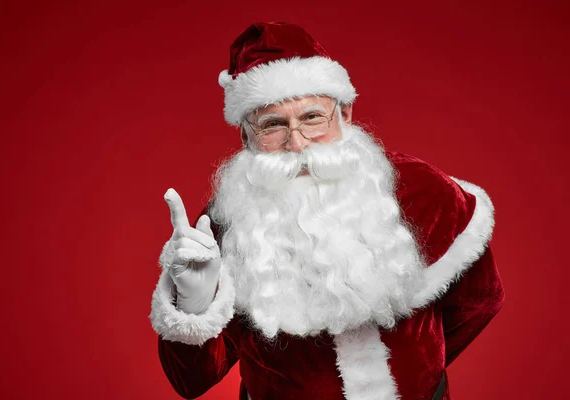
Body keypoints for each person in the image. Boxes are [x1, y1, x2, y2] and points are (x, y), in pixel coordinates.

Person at [149, 22, 504, 400]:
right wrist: (195, 305)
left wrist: (420, 367)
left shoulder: (423, 191)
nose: (298, 142)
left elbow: (480, 302)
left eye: (313, 117)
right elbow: (190, 381)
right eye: (273, 125)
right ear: (246, 137)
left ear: (345, 114)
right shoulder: (222, 226)